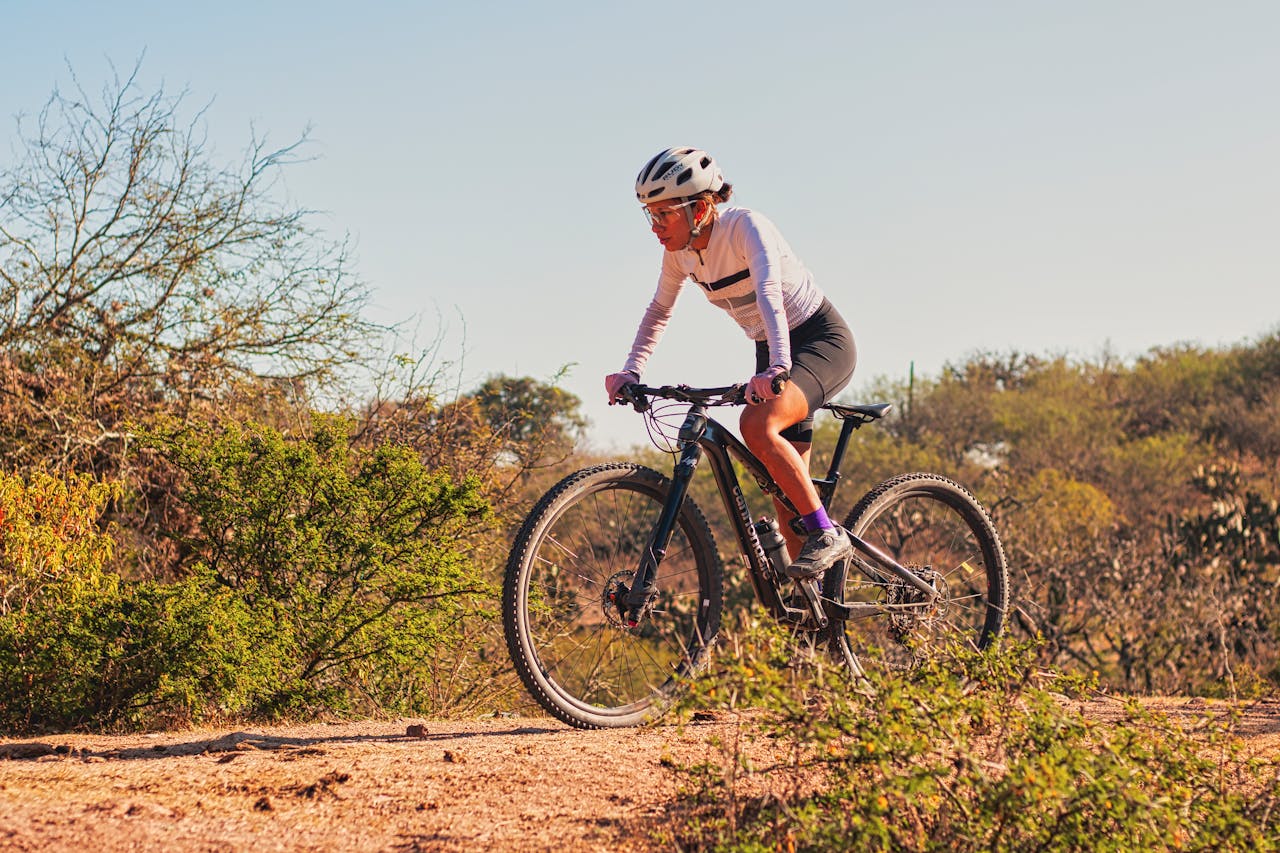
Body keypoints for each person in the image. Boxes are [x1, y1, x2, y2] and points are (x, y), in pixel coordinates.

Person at [605, 146, 858, 579]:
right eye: (649, 215)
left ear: (700, 208)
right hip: (771, 351)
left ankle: (829, 534)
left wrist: (778, 367)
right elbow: (659, 311)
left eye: (663, 214)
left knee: (756, 426)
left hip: (818, 341)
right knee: (785, 499)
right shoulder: (680, 254)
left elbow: (769, 296)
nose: (655, 227)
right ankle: (812, 623)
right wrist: (632, 369)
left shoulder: (746, 228)